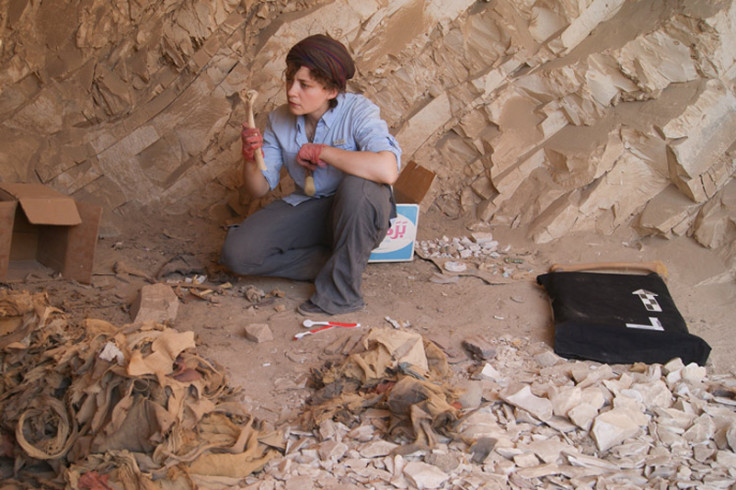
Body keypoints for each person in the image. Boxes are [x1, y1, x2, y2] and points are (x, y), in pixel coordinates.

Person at [221, 34, 402, 316]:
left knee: (360, 186)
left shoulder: (359, 111)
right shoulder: (279, 119)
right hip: (311, 206)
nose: (292, 91)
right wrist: (249, 158)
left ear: (331, 90)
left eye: (305, 85)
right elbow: (258, 189)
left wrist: (325, 152)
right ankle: (340, 262)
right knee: (238, 254)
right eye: (289, 80)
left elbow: (387, 170)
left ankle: (341, 295)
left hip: (358, 212)